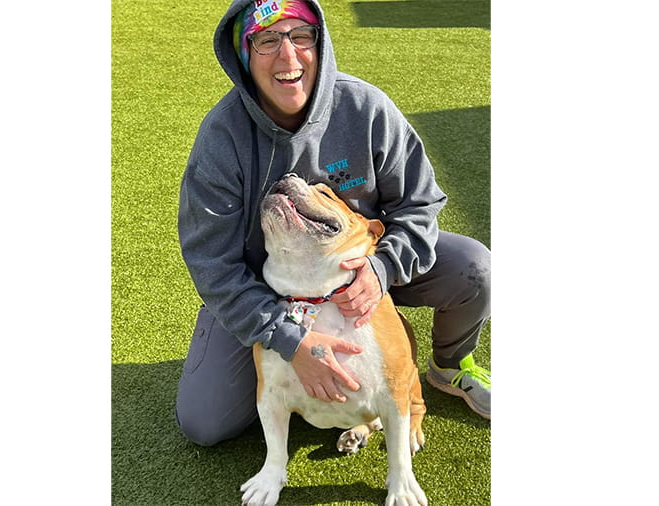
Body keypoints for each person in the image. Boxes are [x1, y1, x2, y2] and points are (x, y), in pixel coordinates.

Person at [176, 0, 491, 446]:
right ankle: (255, 343)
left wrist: (381, 271)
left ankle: (449, 365)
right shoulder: (222, 138)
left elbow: (419, 205)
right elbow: (211, 262)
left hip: (361, 265)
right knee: (205, 423)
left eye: (300, 37)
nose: (288, 57)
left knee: (474, 266)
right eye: (267, 40)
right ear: (244, 56)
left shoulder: (366, 108)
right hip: (272, 290)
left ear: (319, 44)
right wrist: (287, 341)